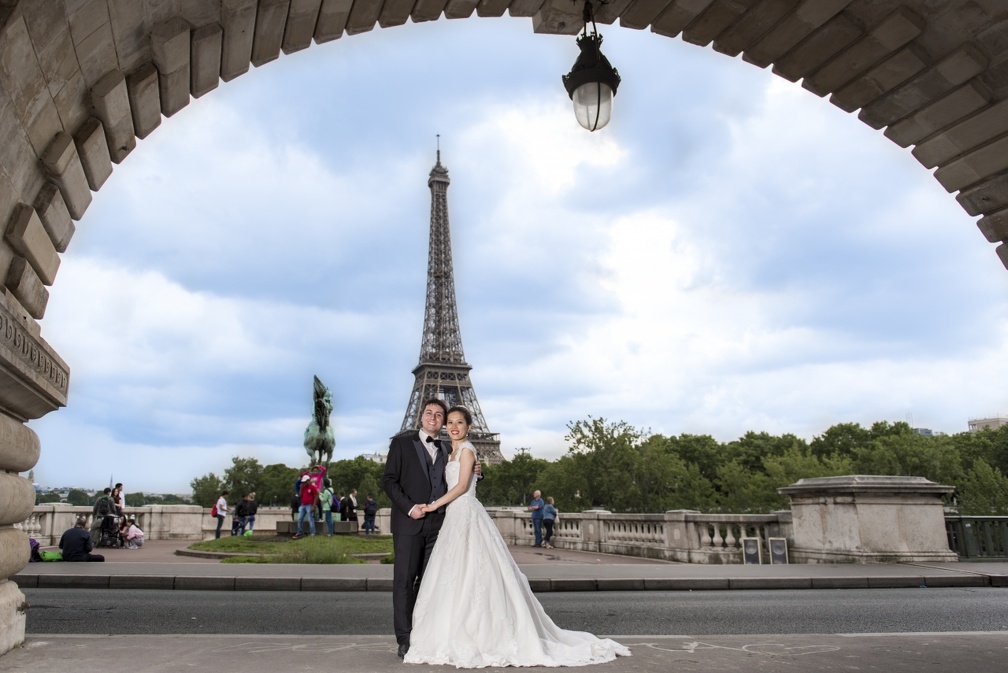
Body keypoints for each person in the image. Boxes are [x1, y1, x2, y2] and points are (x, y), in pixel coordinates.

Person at [404, 406, 630, 667]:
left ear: (469, 427)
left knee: (472, 574)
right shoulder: (450, 451)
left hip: (464, 512)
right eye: (450, 422)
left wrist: (432, 505)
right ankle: (458, 631)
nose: (454, 426)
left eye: (460, 422)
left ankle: (477, 634)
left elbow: (462, 486)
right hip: (455, 518)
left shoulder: (466, 450)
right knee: (460, 574)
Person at [381, 398, 450, 660]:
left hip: (439, 524)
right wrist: (410, 508)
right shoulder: (401, 443)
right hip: (409, 522)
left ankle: (422, 632)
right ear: (421, 417)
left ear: (443, 421)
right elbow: (389, 481)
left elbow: (458, 478)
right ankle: (404, 638)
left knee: (430, 582)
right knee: (404, 582)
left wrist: (478, 471)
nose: (433, 418)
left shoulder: (446, 450)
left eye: (439, 415)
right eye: (429, 413)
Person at [293, 474, 319, 539]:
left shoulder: (312, 487)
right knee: (299, 519)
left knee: (310, 519)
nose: (304, 483)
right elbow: (299, 496)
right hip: (303, 505)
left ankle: (312, 532)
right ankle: (299, 532)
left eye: (305, 482)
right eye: (303, 482)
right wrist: (301, 489)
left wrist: (314, 505)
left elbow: (316, 496)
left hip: (309, 505)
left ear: (308, 481)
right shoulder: (303, 487)